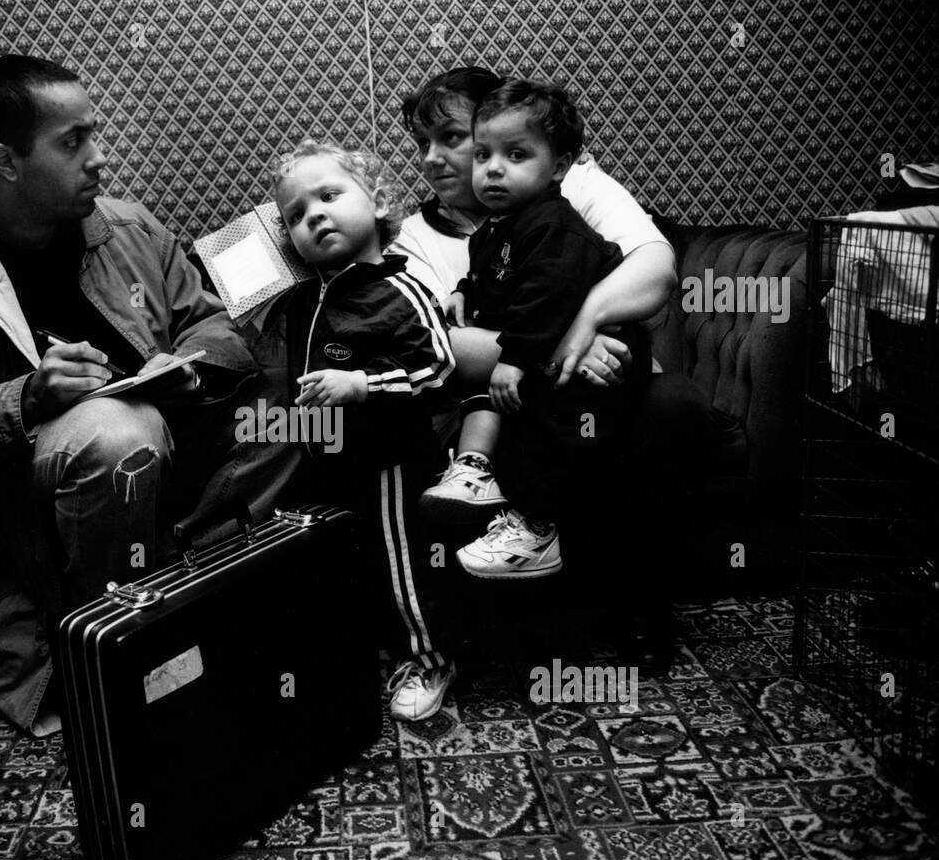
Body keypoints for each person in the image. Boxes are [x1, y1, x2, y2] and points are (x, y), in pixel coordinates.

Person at [0, 55, 287, 736]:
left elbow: (207, 318)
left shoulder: (124, 225)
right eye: (72, 143)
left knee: (301, 392)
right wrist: (26, 399)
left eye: (94, 134)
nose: (98, 158)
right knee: (116, 432)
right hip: (47, 516)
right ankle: (115, 649)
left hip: (177, 459)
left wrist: (191, 363)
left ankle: (201, 572)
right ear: (1, 161)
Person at [389, 67, 743, 664]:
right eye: (425, 144)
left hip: (599, 390)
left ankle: (633, 607)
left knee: (668, 403)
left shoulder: (571, 193)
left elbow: (655, 269)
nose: (432, 158)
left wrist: (583, 321)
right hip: (501, 403)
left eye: (450, 137)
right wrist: (558, 346)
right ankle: (535, 618)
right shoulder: (410, 238)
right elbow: (440, 345)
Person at [241, 140, 458, 721]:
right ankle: (372, 648)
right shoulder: (304, 294)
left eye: (330, 196)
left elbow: (437, 367)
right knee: (351, 559)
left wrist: (363, 385)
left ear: (379, 201)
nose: (314, 215)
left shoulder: (401, 288)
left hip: (389, 460)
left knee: (399, 561)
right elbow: (236, 273)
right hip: (327, 458)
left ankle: (430, 659)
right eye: (296, 215)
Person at [430, 78, 651, 579]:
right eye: (483, 155)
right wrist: (464, 290)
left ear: (557, 166)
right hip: (552, 343)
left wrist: (513, 359)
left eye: (515, 154)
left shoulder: (552, 222)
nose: (493, 169)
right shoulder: (497, 225)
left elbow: (545, 295)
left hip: (610, 350)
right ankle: (479, 473)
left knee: (548, 418)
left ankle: (538, 527)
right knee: (491, 395)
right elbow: (491, 278)